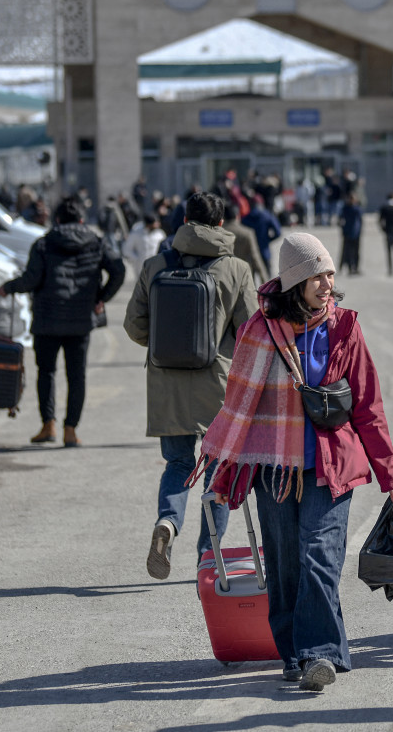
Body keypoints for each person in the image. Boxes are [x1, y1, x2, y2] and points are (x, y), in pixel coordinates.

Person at [197, 232, 393, 692]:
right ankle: (293, 653)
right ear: (294, 282)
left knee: (320, 557)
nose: (327, 284)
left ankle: (320, 654)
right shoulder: (258, 331)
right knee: (285, 565)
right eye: (316, 277)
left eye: (330, 274)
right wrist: (223, 472)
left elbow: (368, 406)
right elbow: (238, 408)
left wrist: (391, 476)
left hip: (332, 465)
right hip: (274, 468)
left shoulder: (344, 327)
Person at [123, 192, 257, 579]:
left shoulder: (155, 265)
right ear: (221, 225)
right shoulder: (236, 269)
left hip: (167, 384)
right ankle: (207, 555)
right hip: (219, 385)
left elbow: (134, 325)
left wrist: (164, 344)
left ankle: (167, 523)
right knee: (219, 469)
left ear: (184, 221)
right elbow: (250, 332)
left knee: (178, 463)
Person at [0, 195, 125, 448]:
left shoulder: (44, 243)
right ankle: (70, 430)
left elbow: (31, 279)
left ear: (56, 220)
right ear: (81, 220)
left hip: (47, 319)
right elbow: (119, 269)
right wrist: (101, 297)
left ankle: (48, 425)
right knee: (77, 376)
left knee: (47, 372)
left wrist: (7, 287)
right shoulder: (96, 243)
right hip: (81, 319)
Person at [243, 195, 283, 271]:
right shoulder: (267, 215)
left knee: (250, 275)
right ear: (261, 203)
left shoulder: (246, 218)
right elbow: (278, 232)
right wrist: (268, 239)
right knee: (267, 275)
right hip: (264, 249)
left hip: (250, 252)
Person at [339, 193, 363, 276]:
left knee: (356, 251)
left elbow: (360, 221)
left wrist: (359, 231)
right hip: (348, 232)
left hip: (356, 233)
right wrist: (343, 230)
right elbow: (341, 220)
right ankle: (349, 267)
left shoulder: (357, 209)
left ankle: (355, 267)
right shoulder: (345, 208)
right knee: (347, 251)